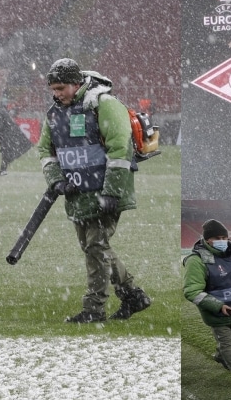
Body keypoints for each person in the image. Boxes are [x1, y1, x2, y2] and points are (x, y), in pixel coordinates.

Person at [37, 58, 151, 323]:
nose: (57, 94)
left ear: (76, 83)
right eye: (53, 89)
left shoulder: (105, 104)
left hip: (104, 190)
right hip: (78, 193)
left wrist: (111, 192)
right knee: (94, 248)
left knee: (95, 246)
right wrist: (56, 181)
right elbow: (46, 151)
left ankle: (93, 309)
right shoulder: (55, 113)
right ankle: (132, 295)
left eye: (61, 88)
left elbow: (120, 149)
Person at [183, 219, 231, 392]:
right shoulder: (196, 260)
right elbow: (191, 291)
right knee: (228, 346)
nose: (223, 241)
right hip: (218, 315)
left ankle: (220, 356)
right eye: (217, 237)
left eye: (224, 237)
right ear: (207, 239)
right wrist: (218, 306)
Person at [0, 101, 33, 175]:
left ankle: (3, 169)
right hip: (9, 133)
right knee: (6, 151)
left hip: (9, 134)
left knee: (7, 151)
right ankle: (3, 169)